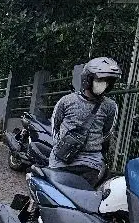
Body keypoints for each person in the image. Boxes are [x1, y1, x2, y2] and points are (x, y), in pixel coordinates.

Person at [49, 57, 122, 186]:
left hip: (91, 164)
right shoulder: (66, 101)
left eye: (107, 81)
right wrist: (64, 148)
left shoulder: (110, 106)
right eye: (100, 80)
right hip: (62, 161)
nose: (104, 84)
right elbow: (55, 127)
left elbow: (107, 133)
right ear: (88, 79)